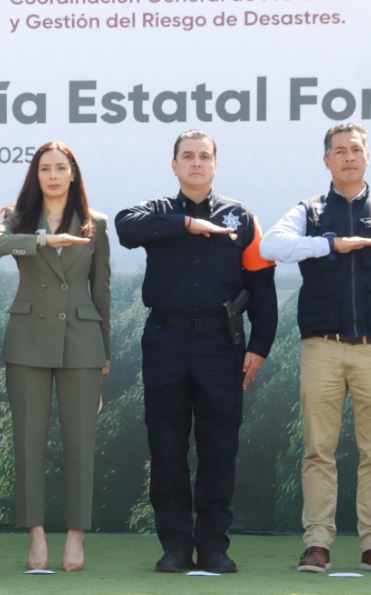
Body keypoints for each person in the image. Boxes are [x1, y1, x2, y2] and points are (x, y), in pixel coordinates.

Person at [115, 130, 277, 573]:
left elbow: (261, 286)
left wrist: (259, 346)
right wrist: (185, 224)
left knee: (218, 447)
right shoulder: (156, 212)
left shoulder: (241, 217)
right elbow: (124, 228)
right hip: (165, 340)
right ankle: (175, 547)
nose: (196, 163)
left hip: (221, 345)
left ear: (215, 165)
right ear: (174, 166)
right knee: (166, 447)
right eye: (187, 157)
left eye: (204, 157)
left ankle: (213, 546)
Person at [0, 141, 110, 572]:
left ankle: (77, 535)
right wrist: (41, 239)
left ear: (74, 174)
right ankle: (35, 536)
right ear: (36, 177)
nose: (53, 175)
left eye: (61, 167)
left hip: (83, 343)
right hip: (28, 341)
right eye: (44, 169)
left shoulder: (97, 224)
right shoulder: (16, 221)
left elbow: (101, 291)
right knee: (28, 443)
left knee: (80, 444)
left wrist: (104, 354)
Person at [260, 122, 371, 573]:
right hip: (322, 347)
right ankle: (318, 543)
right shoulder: (309, 209)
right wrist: (329, 245)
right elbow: (271, 245)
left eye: (356, 149)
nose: (348, 156)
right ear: (326, 160)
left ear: (365, 157)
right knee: (318, 451)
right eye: (339, 150)